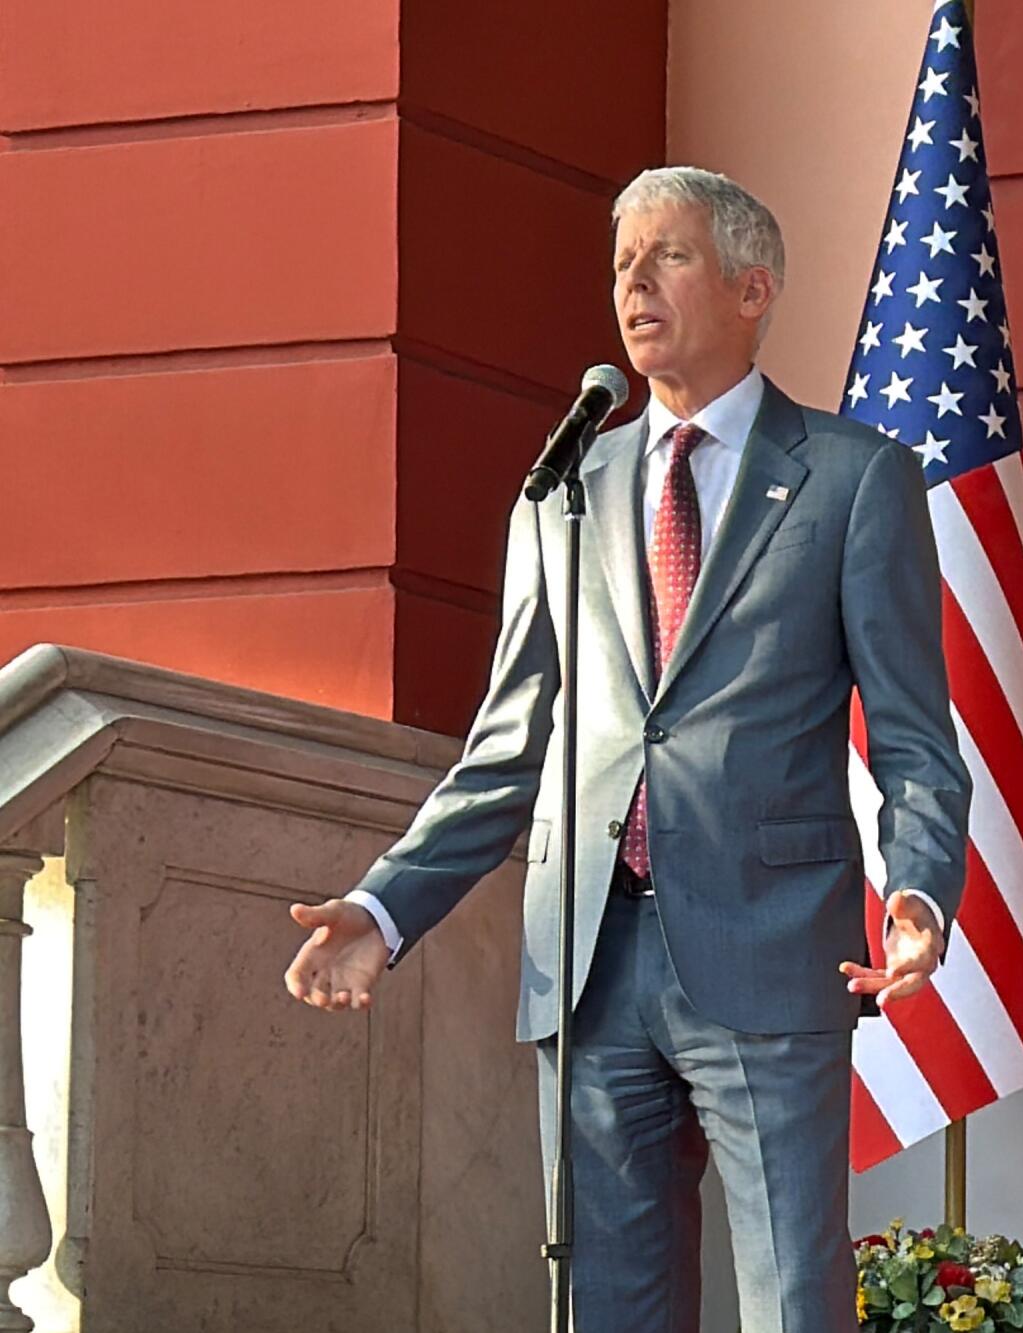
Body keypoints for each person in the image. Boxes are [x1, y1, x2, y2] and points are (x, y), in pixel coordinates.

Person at [282, 166, 972, 1332]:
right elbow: (506, 747)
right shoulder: (563, 489)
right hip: (588, 960)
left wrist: (915, 892)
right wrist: (383, 907)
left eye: (669, 256)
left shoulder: (855, 480)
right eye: (621, 264)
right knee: (606, 1306)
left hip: (768, 948)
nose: (633, 284)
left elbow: (912, 734)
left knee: (794, 1300)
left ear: (754, 288)